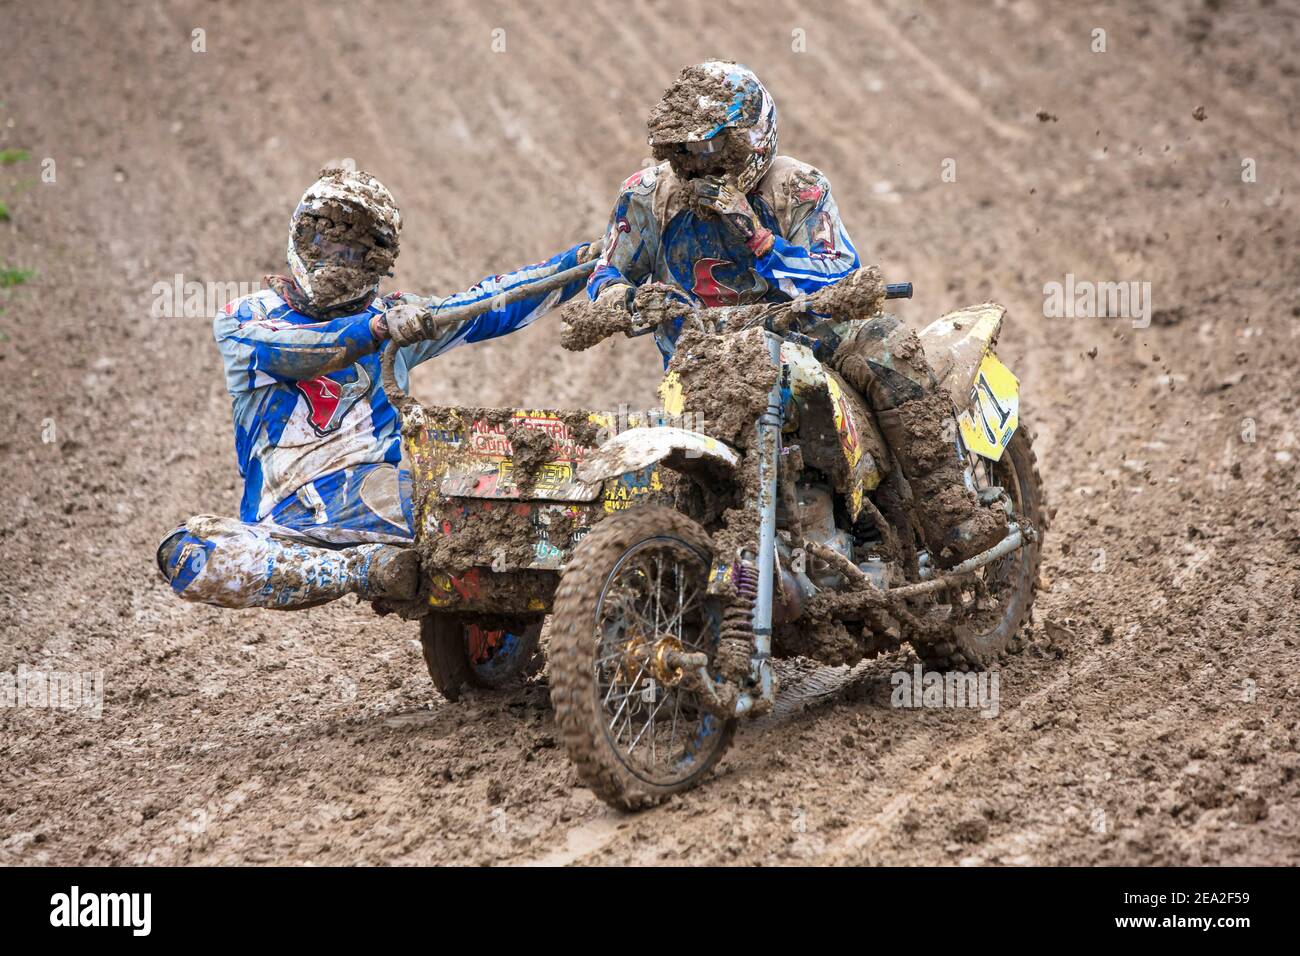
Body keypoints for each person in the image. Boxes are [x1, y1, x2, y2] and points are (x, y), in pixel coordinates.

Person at [582, 61, 1004, 566]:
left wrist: (759, 239)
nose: (698, 164)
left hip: (812, 341)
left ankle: (951, 512)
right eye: (684, 151)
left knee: (887, 345)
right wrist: (622, 302)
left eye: (712, 147)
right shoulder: (647, 196)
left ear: (751, 137)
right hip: (705, 361)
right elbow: (606, 273)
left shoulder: (798, 188)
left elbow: (836, 272)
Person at [157, 166, 592, 609]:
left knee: (476, 507)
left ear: (378, 260)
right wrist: (378, 327)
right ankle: (362, 569)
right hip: (279, 521)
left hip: (372, 495)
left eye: (355, 250)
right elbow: (295, 350)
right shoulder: (245, 317)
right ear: (300, 236)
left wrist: (583, 263)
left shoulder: (398, 317)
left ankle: (585, 566)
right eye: (326, 242)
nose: (336, 260)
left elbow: (482, 307)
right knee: (187, 554)